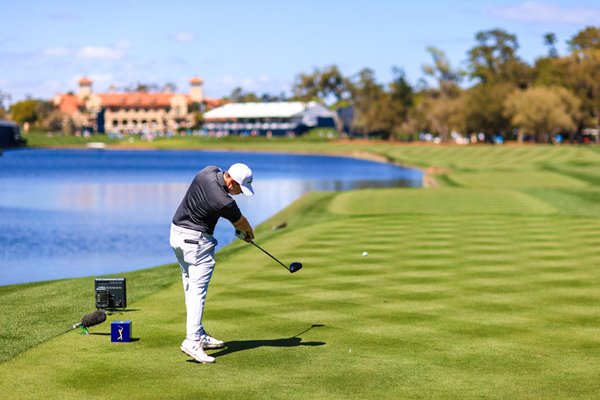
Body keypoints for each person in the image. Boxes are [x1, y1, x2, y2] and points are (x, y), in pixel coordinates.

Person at [170, 163, 255, 363]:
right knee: (198, 291)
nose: (240, 193)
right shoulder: (225, 201)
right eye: (240, 189)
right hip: (196, 243)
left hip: (176, 236)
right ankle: (192, 340)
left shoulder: (208, 171)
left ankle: (197, 332)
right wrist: (249, 234)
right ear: (232, 181)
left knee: (191, 286)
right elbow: (241, 222)